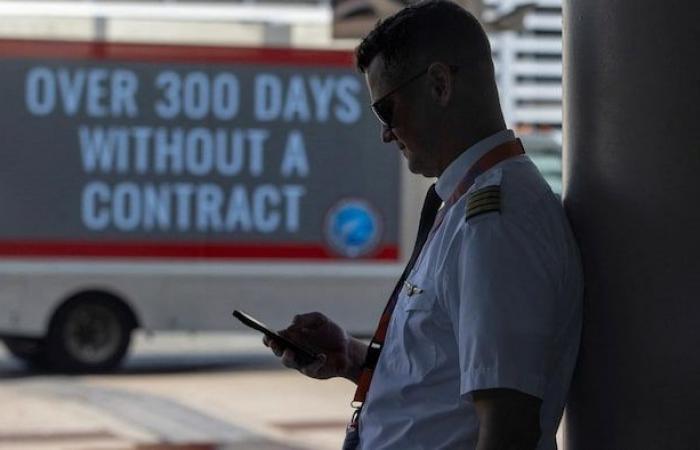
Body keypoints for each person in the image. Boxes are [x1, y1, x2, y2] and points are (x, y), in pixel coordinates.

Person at [264, 1, 583, 449]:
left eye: (386, 110)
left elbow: (508, 424)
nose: (385, 133)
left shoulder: (495, 223)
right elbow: (443, 376)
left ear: (438, 84)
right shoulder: (464, 205)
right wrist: (353, 357)